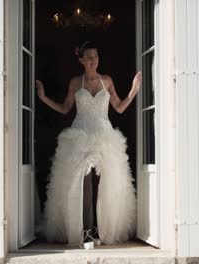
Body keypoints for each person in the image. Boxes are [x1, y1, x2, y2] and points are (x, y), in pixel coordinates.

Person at [36, 41, 142, 246]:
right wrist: (43, 98)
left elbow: (119, 108)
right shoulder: (76, 82)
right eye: (90, 57)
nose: (94, 60)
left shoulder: (107, 81)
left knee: (106, 183)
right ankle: (85, 230)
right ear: (81, 60)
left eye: (96, 56)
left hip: (104, 136)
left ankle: (102, 229)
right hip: (80, 137)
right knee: (81, 182)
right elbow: (65, 108)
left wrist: (134, 89)